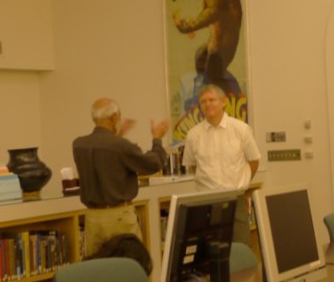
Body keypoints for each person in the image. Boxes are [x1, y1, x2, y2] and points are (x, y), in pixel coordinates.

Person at [72, 97, 170, 257]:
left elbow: (108, 159)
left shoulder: (78, 145)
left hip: (92, 219)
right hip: (119, 217)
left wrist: (118, 134)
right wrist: (157, 139)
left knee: (98, 271)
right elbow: (153, 163)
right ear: (114, 117)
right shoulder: (120, 146)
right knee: (130, 267)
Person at [182, 84, 261, 243]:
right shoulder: (193, 135)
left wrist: (243, 181)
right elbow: (193, 166)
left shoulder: (241, 129)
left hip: (235, 201)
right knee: (211, 252)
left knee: (241, 249)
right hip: (206, 204)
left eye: (212, 100)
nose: (207, 104)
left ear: (223, 102)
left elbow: (254, 160)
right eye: (203, 102)